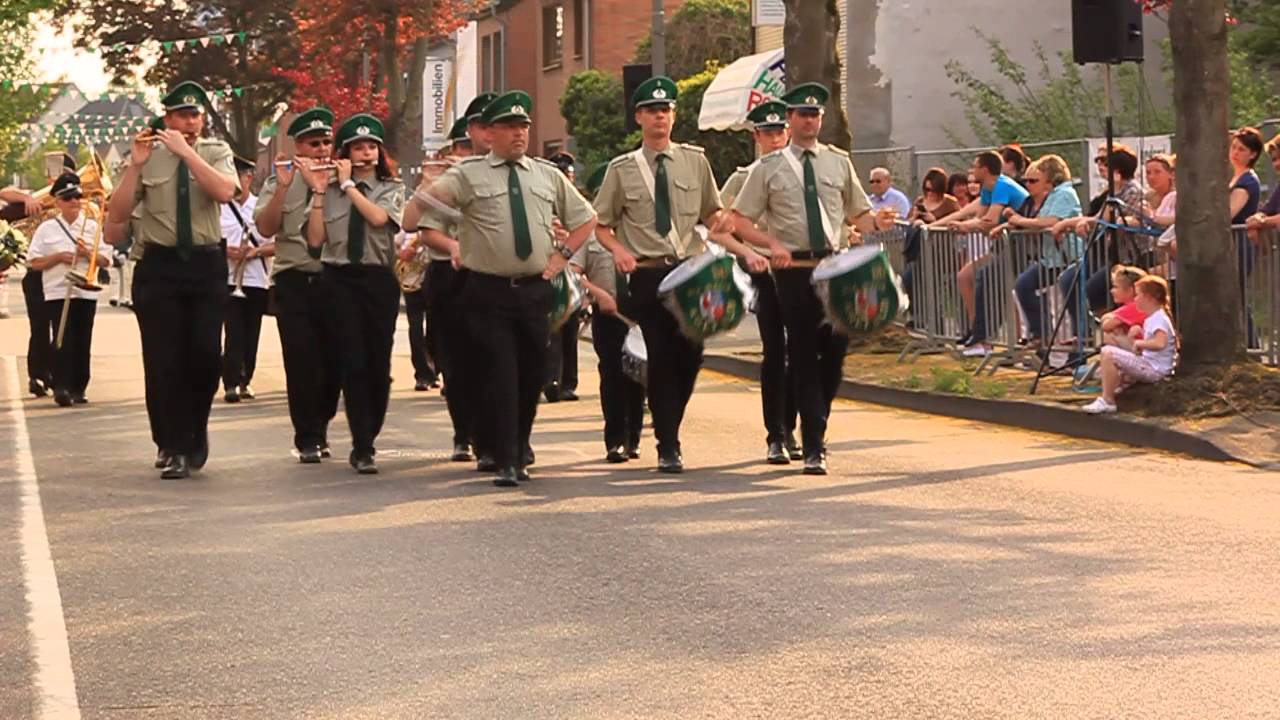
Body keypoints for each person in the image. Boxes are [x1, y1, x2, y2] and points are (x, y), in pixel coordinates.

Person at [412, 90, 597, 487]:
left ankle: (518, 445)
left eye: (523, 127)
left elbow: (586, 218)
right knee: (500, 371)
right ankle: (506, 458)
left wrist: (562, 256)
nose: (518, 134)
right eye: (510, 127)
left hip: (535, 290)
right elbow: (414, 221)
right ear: (490, 133)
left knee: (531, 376)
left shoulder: (546, 175)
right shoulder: (467, 174)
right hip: (487, 291)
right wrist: (425, 188)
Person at [594, 76, 764, 474]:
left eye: (666, 110)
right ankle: (668, 443)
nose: (660, 117)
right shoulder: (622, 169)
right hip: (648, 275)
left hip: (691, 274)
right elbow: (602, 225)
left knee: (691, 356)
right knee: (661, 357)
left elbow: (711, 210)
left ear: (673, 116)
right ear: (639, 117)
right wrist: (620, 251)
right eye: (652, 111)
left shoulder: (695, 161)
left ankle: (669, 420)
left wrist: (721, 220)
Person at [730, 82, 883, 475]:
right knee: (800, 353)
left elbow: (859, 214)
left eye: (815, 114)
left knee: (834, 356)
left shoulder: (838, 162)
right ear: (791, 119)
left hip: (834, 269)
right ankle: (813, 443)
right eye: (802, 114)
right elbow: (739, 222)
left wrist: (877, 221)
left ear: (822, 118)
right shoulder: (768, 169)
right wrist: (770, 244)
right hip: (793, 272)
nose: (809, 121)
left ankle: (815, 421)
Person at [106, 81, 238, 479]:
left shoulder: (216, 151)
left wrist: (187, 154)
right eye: (182, 115)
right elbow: (117, 214)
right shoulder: (148, 155)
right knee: (164, 359)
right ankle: (174, 443)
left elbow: (225, 191)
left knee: (205, 356)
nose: (190, 122)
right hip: (160, 266)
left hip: (204, 263)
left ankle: (194, 430)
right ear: (168, 119)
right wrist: (135, 166)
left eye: (195, 115)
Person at [302, 113, 405, 475]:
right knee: (352, 361)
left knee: (378, 365)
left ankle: (369, 432)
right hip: (338, 278)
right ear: (345, 154)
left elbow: (378, 219)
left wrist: (349, 186)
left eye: (372, 146)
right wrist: (319, 191)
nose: (366, 153)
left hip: (377, 279)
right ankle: (361, 444)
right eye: (358, 147)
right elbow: (316, 240)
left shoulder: (391, 187)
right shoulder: (328, 190)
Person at [402, 93, 496, 466]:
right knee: (455, 361)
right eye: (464, 145)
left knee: (496, 359)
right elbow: (420, 227)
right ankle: (463, 433)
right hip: (450, 275)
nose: (470, 150)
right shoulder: (445, 180)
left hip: (495, 272)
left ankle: (498, 436)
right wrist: (431, 183)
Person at [255, 107, 343, 464]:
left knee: (334, 362)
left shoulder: (342, 179)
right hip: (294, 278)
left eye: (326, 142)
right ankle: (308, 436)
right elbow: (265, 227)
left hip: (334, 277)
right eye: (313, 143)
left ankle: (322, 421)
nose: (321, 150)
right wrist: (283, 188)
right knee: (301, 360)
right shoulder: (282, 179)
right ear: (298, 147)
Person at [721, 100, 801, 463]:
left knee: (801, 352)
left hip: (800, 269)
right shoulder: (743, 177)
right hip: (766, 272)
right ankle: (776, 435)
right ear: (757, 137)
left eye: (780, 132)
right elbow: (720, 226)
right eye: (768, 133)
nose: (775, 139)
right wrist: (747, 253)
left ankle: (793, 426)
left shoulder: (802, 171)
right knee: (774, 353)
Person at [572, 164, 646, 462]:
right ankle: (615, 440)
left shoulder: (641, 232)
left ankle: (634, 438)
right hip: (608, 314)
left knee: (638, 377)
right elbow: (574, 272)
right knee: (613, 375)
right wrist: (598, 293)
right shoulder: (589, 236)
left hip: (638, 313)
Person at [24, 173, 111, 407]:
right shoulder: (47, 228)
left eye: (78, 196)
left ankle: (79, 387)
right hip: (57, 290)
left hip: (85, 289)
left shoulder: (92, 226)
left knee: (83, 338)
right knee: (63, 337)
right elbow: (33, 262)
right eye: (68, 198)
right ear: (59, 202)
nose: (74, 201)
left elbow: (106, 260)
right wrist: (58, 257)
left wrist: (87, 253)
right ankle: (61, 386)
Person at [932, 150, 1030, 356]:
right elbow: (980, 218)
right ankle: (978, 334)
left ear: (985, 170)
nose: (971, 170)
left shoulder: (1001, 185)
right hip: (1003, 244)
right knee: (965, 276)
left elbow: (989, 221)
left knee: (996, 285)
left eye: (975, 167)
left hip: (1021, 245)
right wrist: (964, 225)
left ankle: (1000, 340)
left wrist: (966, 226)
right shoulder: (988, 189)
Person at [1007, 154, 1083, 349]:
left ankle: (1081, 340)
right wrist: (1010, 225)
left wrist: (1019, 220)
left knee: (1070, 295)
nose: (1028, 185)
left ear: (1050, 176)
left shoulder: (1065, 194)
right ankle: (1040, 333)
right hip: (1051, 257)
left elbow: (1051, 221)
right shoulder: (1053, 195)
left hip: (1067, 256)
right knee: (1023, 285)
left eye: (1034, 180)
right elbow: (1037, 221)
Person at [221, 155, 274, 403]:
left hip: (256, 278)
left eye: (238, 176)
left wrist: (255, 252)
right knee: (233, 331)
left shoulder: (261, 206)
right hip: (228, 278)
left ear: (249, 178)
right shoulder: (220, 207)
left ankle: (246, 379)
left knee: (252, 332)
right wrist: (226, 251)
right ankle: (230, 381)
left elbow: (277, 243)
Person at [1083, 275, 1176, 414]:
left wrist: (1140, 343)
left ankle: (1108, 400)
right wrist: (1139, 333)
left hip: (1155, 369)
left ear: (1149, 298)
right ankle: (1116, 388)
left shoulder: (1160, 318)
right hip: (1150, 364)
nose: (1135, 299)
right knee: (1112, 354)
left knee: (1108, 353)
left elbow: (1160, 343)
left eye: (1138, 295)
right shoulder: (1153, 317)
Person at [543, 149, 582, 402]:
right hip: (548, 271)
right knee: (551, 330)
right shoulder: (544, 201)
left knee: (570, 330)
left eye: (567, 175)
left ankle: (569, 382)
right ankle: (550, 379)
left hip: (574, 273)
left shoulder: (578, 205)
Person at [398, 227, 438, 391]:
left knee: (436, 328)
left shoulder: (437, 224)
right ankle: (422, 373)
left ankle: (435, 369)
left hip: (434, 281)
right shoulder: (408, 228)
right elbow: (394, 244)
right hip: (412, 282)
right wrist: (402, 253)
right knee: (415, 328)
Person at [1098, 265, 1147, 351]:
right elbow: (1105, 319)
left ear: (1130, 291)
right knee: (1115, 330)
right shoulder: (1134, 304)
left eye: (1115, 287)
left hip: (1144, 348)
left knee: (1107, 337)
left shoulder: (1134, 306)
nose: (1111, 291)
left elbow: (1105, 325)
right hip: (1141, 344)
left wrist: (1113, 322)